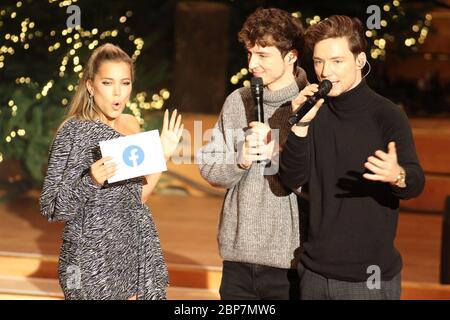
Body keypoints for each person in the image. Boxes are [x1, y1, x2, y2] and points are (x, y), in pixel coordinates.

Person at [279, 15, 425, 300]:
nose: (325, 71)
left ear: (359, 61)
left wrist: (397, 175)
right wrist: (299, 127)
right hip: (315, 274)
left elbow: (415, 183)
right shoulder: (313, 112)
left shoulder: (387, 115)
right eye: (319, 62)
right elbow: (291, 178)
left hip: (368, 278)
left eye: (336, 61)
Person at [39, 43, 183, 300]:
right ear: (91, 86)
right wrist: (91, 179)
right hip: (92, 260)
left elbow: (138, 198)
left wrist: (164, 154)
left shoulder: (131, 124)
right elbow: (52, 207)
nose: (118, 92)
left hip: (136, 248)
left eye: (125, 83)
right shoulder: (73, 133)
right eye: (108, 83)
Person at [197, 8, 308, 300]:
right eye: (249, 53)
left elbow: (317, 183)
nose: (252, 64)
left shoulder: (311, 102)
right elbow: (209, 168)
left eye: (263, 55)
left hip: (291, 263)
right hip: (238, 260)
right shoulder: (239, 100)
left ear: (291, 56)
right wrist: (240, 159)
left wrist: (277, 153)